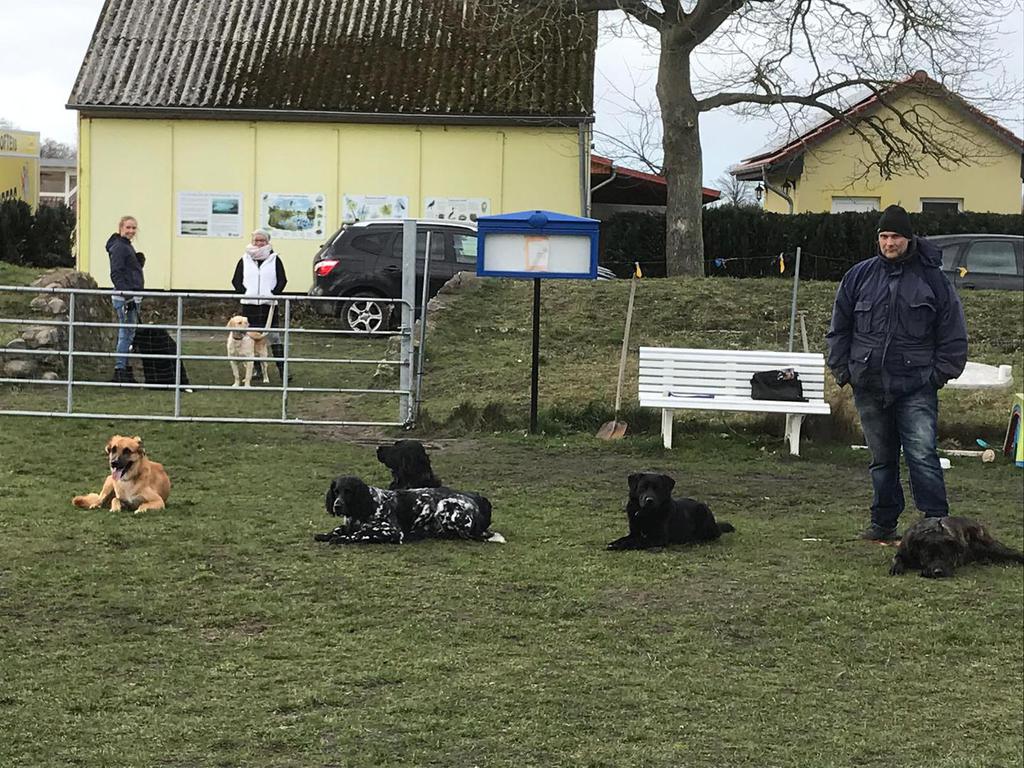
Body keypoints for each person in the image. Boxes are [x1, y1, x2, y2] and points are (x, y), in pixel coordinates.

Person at [826, 204, 968, 541]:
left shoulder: (933, 280)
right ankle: (883, 524)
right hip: (868, 385)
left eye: (896, 237)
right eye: (884, 236)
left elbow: (953, 334)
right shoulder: (858, 276)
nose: (889, 243)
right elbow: (839, 328)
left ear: (909, 238)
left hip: (917, 386)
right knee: (881, 459)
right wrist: (844, 370)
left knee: (922, 456)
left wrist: (937, 376)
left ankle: (937, 526)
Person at [231, 229, 288, 382]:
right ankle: (256, 370)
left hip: (269, 306)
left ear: (267, 242)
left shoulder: (274, 259)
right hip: (249, 306)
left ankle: (283, 371)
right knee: (250, 338)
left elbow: (282, 280)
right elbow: (236, 280)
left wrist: (273, 294)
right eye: (256, 240)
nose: (259, 243)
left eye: (262, 240)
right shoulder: (244, 259)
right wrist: (245, 293)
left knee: (274, 338)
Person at [106, 215, 145, 383]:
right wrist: (128, 296)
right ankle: (120, 369)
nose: (131, 231)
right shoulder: (120, 247)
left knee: (128, 333)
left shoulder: (125, 246)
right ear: (120, 228)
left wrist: (137, 264)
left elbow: (126, 271)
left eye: (134, 228)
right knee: (126, 333)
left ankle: (124, 368)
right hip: (126, 297)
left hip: (131, 294)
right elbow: (116, 273)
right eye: (128, 227)